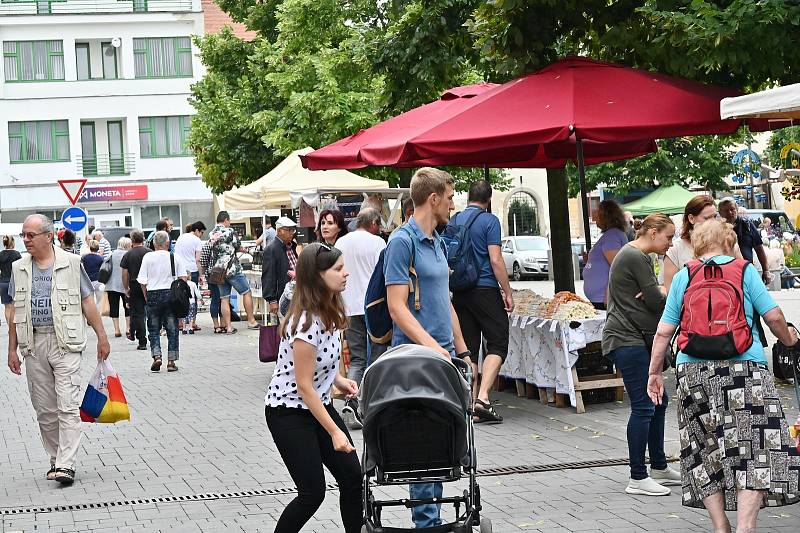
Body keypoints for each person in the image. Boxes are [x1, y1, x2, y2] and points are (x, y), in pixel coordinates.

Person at [648, 219, 800, 533]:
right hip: (745, 371)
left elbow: (664, 332)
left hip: (693, 372)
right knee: (755, 448)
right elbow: (773, 316)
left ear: (698, 245)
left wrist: (654, 373)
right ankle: (746, 527)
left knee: (704, 449)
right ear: (729, 242)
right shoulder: (744, 271)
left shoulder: (684, 276)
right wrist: (790, 341)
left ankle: (721, 527)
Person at [384, 167, 469, 528]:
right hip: (417, 358)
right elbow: (396, 306)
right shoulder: (403, 242)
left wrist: (462, 350)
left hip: (443, 355)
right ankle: (426, 522)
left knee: (442, 440)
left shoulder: (437, 242)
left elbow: (443, 300)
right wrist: (434, 347)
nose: (452, 204)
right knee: (422, 443)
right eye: (449, 198)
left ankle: (432, 518)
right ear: (433, 199)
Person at [264, 243, 362, 533]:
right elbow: (304, 385)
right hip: (288, 412)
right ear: (318, 276)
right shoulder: (305, 322)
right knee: (312, 493)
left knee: (352, 479)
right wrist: (334, 431)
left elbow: (322, 365)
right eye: (338, 269)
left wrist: (339, 380)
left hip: (317, 406)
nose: (346, 274)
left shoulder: (330, 310)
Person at [6, 214, 109, 485]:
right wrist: (11, 349)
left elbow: (88, 303)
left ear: (48, 236)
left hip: (66, 343)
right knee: (45, 409)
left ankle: (66, 464)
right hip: (34, 344)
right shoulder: (19, 267)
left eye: (31, 235)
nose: (25, 240)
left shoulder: (72, 264)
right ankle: (56, 457)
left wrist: (102, 337)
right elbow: (15, 310)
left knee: (67, 405)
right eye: (23, 235)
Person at [602, 213, 681, 497]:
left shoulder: (639, 256)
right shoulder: (635, 256)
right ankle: (638, 476)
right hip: (627, 339)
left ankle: (658, 465)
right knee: (645, 405)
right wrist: (659, 291)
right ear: (652, 232)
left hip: (635, 339)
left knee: (658, 399)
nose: (670, 244)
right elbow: (660, 302)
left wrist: (656, 292)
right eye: (668, 237)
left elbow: (654, 298)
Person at [450, 180, 514, 423]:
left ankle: (469, 403)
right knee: (498, 341)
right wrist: (506, 291)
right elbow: (496, 259)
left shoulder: (454, 220)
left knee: (469, 347)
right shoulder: (490, 221)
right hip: (485, 289)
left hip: (460, 290)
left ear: (468, 197)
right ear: (488, 199)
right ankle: (483, 398)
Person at [333, 207, 387, 430]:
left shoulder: (341, 243)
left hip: (349, 307)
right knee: (376, 357)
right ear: (373, 223)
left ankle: (352, 400)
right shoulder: (378, 243)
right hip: (373, 307)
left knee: (356, 358)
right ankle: (368, 405)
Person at [137, 231, 188, 372]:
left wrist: (146, 296)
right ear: (168, 243)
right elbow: (183, 278)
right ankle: (171, 361)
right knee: (172, 329)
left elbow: (142, 281)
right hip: (170, 295)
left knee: (153, 329)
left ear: (153, 244)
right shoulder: (174, 257)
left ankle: (157, 356)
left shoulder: (148, 257)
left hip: (152, 294)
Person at [209, 211, 259, 333]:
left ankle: (229, 327)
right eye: (229, 221)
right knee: (246, 292)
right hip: (232, 269)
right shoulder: (229, 231)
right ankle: (251, 321)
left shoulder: (212, 233)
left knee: (224, 299)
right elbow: (238, 246)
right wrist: (248, 251)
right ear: (226, 220)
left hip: (218, 270)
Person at [664, 195, 719, 291]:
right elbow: (669, 290)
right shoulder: (675, 249)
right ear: (691, 218)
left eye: (715, 217)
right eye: (707, 218)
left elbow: (741, 277)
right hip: (688, 304)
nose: (713, 222)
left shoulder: (726, 244)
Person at [584, 199, 631, 310]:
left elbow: (617, 267)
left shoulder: (612, 235)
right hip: (600, 299)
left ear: (606, 216)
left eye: (598, 213)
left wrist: (608, 293)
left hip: (604, 300)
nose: (594, 216)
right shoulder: (612, 234)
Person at [719, 198, 770, 283]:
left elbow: (759, 248)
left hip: (746, 271)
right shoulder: (717, 229)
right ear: (720, 212)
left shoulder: (747, 225)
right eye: (726, 210)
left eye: (732, 209)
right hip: (725, 274)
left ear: (737, 209)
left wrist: (766, 271)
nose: (730, 213)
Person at [263, 217, 299, 319]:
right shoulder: (271, 249)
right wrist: (272, 300)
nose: (292, 232)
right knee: (284, 325)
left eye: (293, 230)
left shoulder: (291, 246)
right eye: (288, 230)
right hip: (282, 295)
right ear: (279, 231)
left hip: (295, 293)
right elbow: (268, 276)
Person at [174, 221, 206, 331]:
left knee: (179, 296)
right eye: (201, 232)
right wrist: (201, 275)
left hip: (179, 270)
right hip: (192, 270)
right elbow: (198, 260)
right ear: (197, 230)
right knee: (192, 296)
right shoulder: (197, 240)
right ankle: (193, 323)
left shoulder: (180, 237)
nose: (202, 235)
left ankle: (180, 322)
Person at [121, 230, 151, 350]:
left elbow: (124, 274)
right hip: (149, 285)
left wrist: (126, 288)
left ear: (132, 240)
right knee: (151, 312)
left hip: (134, 285)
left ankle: (142, 340)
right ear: (143, 239)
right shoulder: (149, 252)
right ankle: (154, 336)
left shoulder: (128, 255)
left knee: (138, 314)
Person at [105, 237, 132, 339]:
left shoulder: (111, 254)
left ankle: (116, 330)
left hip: (111, 285)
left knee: (114, 307)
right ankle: (128, 328)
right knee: (127, 306)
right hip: (125, 285)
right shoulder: (127, 255)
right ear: (126, 245)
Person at [198, 238, 224, 334]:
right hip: (225, 273)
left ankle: (216, 325)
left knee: (215, 299)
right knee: (224, 299)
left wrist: (203, 274)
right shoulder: (225, 243)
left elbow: (203, 262)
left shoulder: (208, 244)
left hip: (212, 274)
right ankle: (224, 323)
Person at [0, 235, 22, 325]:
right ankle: (14, 329)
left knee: (7, 307)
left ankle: (10, 328)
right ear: (12, 242)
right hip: (14, 282)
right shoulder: (16, 254)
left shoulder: (0, 254)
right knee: (14, 307)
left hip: (3, 283)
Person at [81, 241, 105, 311]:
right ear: (98, 248)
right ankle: (97, 315)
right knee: (99, 300)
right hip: (98, 280)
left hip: (87, 281)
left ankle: (90, 316)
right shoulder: (100, 258)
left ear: (90, 247)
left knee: (89, 301)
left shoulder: (85, 257)